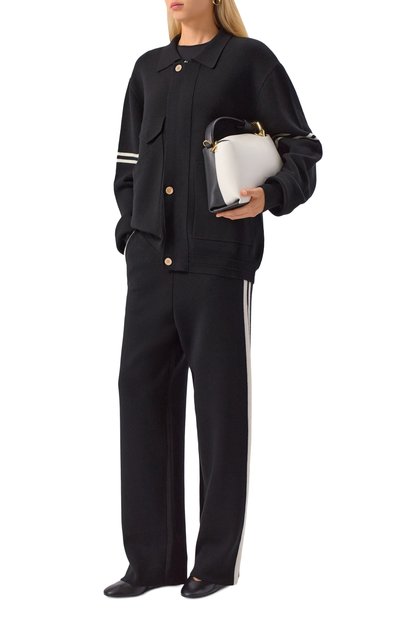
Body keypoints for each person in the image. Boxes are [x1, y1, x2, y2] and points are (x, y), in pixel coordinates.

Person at [104, 0, 323, 600]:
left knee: (221, 413)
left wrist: (270, 196)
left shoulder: (249, 61)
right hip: (150, 265)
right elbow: (127, 163)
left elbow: (303, 147)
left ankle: (214, 564)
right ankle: (151, 562)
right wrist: (132, 232)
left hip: (218, 263)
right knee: (140, 404)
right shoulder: (147, 68)